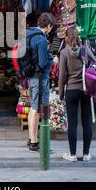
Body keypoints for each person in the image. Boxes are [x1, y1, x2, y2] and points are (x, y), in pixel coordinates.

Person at [58, 27, 96, 162]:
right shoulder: (85, 50)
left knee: (72, 123)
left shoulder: (64, 53)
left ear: (66, 38)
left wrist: (61, 93)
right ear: (78, 37)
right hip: (86, 90)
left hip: (71, 90)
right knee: (87, 122)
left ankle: (72, 154)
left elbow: (62, 75)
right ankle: (86, 154)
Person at [26, 13, 55, 152]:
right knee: (36, 109)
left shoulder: (29, 35)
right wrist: (53, 61)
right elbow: (43, 63)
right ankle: (34, 142)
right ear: (48, 26)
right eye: (51, 27)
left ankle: (31, 138)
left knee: (33, 107)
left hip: (31, 77)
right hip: (39, 77)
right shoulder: (42, 41)